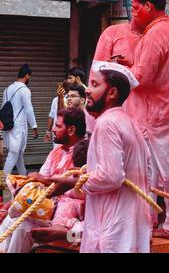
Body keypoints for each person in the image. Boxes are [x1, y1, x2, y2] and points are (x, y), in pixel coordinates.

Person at [44, 61, 152, 253]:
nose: (87, 91)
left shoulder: (106, 124)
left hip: (112, 230)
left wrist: (70, 183)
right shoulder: (129, 122)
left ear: (112, 93)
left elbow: (110, 177)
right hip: (130, 226)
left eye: (94, 84)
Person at [123, 0, 169, 240]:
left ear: (149, 6)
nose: (133, 14)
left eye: (136, 9)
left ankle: (152, 224)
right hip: (168, 111)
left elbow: (142, 78)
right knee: (168, 171)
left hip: (153, 115)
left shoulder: (154, 34)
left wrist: (118, 71)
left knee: (148, 173)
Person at [0, 107, 86, 253]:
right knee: (12, 218)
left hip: (64, 213)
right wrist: (8, 206)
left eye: (58, 126)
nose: (52, 129)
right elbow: (36, 183)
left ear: (71, 130)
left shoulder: (85, 153)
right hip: (46, 206)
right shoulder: (56, 152)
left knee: (23, 226)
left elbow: (78, 192)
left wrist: (45, 180)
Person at [2, 64, 38, 175]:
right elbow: (29, 109)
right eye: (29, 77)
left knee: (19, 154)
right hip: (18, 127)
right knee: (13, 153)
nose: (29, 79)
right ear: (27, 76)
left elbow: (3, 107)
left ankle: (24, 176)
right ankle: (3, 181)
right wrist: (34, 126)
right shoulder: (25, 90)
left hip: (8, 125)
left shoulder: (7, 89)